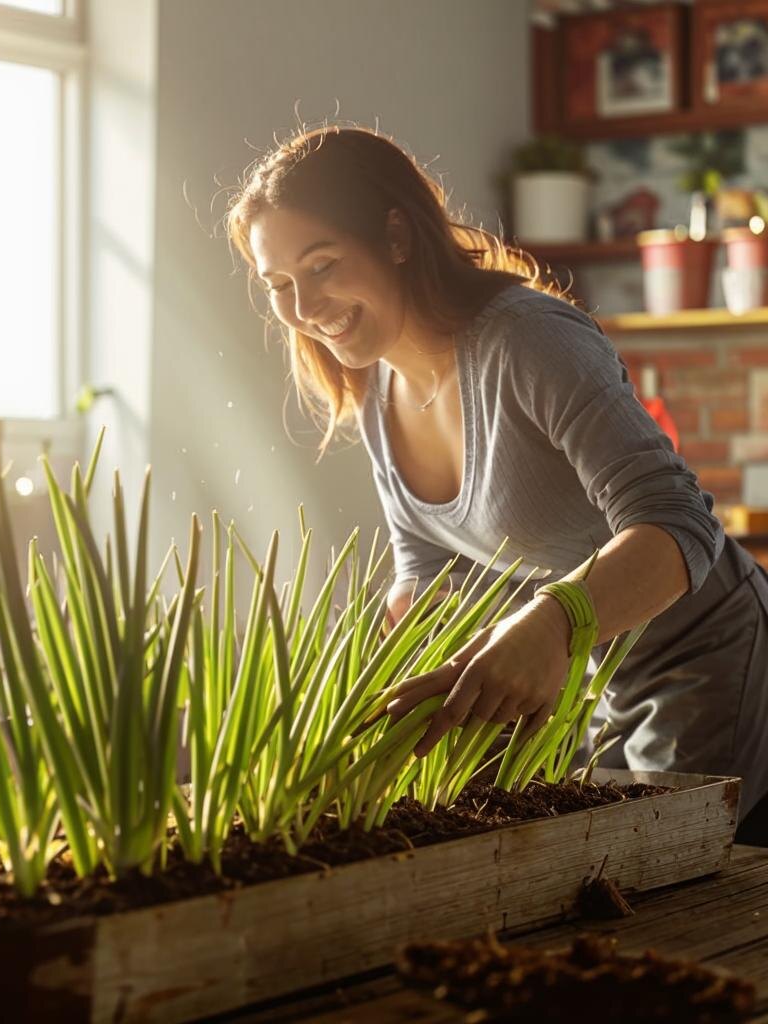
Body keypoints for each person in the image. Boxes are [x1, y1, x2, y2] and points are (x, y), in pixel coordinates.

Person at [225, 124, 768, 845]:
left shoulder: (527, 341)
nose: (301, 307)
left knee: (679, 889)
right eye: (280, 286)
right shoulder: (377, 385)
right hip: (573, 685)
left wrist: (551, 622)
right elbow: (429, 566)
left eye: (322, 266)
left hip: (695, 660)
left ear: (395, 235)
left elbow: (678, 523)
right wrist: (379, 674)